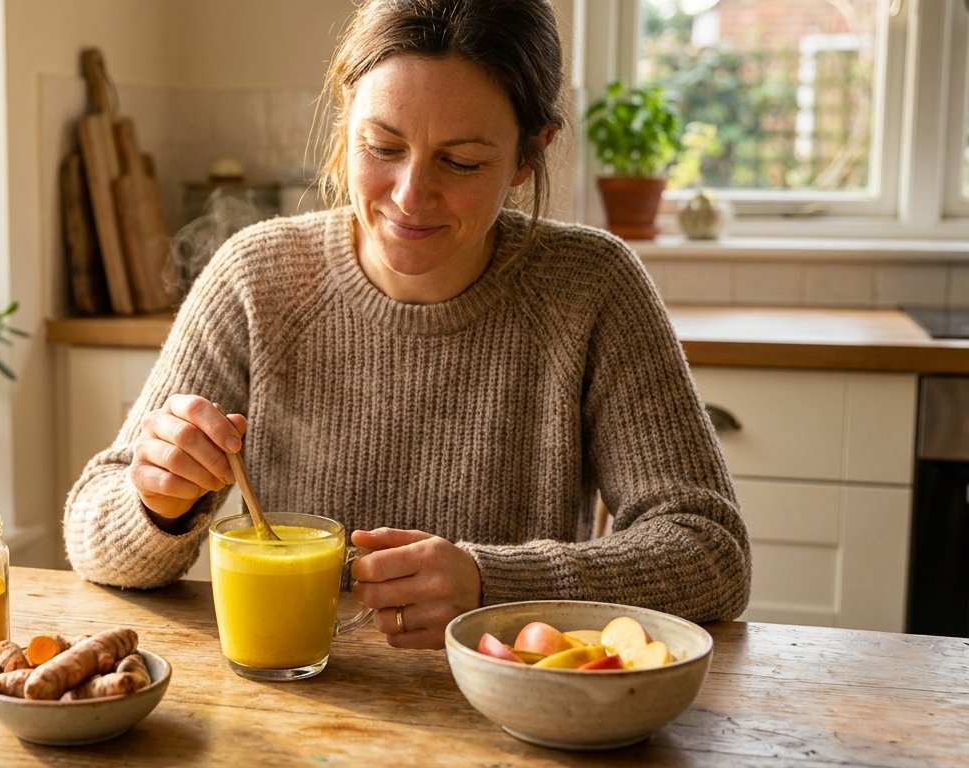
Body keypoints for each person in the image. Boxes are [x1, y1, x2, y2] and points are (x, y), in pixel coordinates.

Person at [64, 0, 750, 650]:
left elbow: (710, 551)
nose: (409, 196)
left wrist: (493, 584)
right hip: (291, 698)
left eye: (462, 162)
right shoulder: (256, 276)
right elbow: (94, 532)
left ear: (529, 156)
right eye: (382, 146)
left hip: (513, 712)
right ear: (344, 119)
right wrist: (157, 501)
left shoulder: (592, 289)